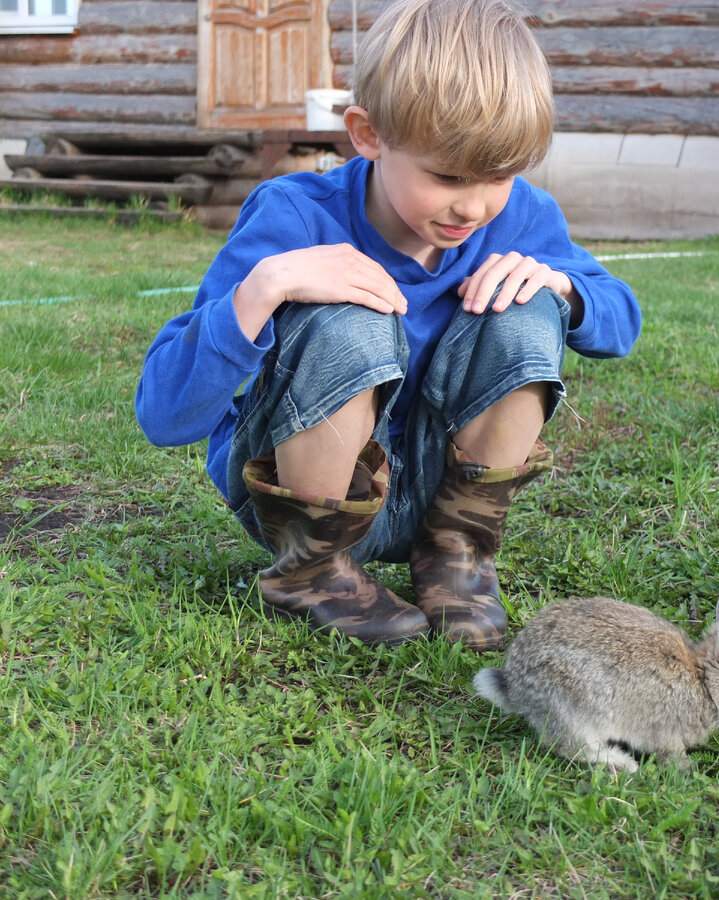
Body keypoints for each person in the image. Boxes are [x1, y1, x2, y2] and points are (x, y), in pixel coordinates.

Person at [135, 0, 641, 652]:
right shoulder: (292, 216)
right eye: (448, 176)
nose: (475, 205)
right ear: (368, 135)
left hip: (443, 500)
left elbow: (620, 320)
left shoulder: (522, 217)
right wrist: (264, 290)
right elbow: (165, 415)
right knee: (344, 316)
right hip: (300, 500)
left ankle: (459, 553)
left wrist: (566, 289)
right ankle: (312, 570)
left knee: (532, 299)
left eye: (501, 176)